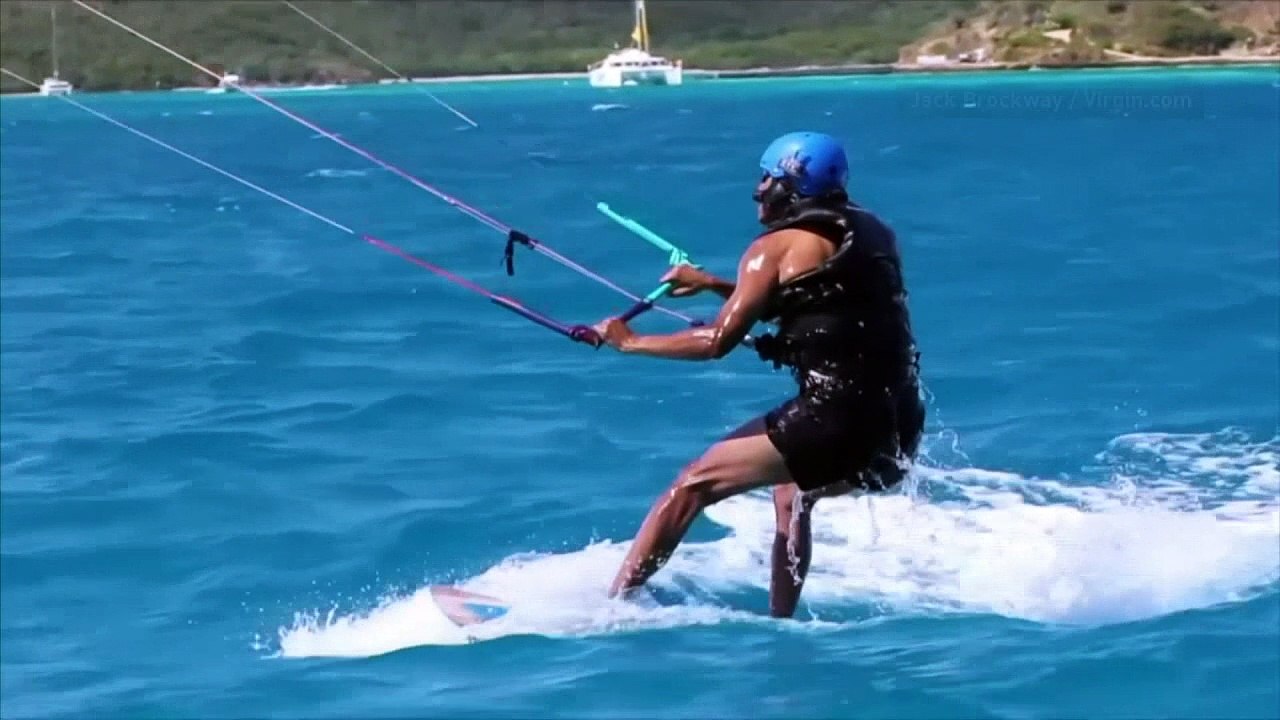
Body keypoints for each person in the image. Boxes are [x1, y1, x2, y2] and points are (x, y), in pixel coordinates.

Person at [590, 131, 926, 618]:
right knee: (793, 491)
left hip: (836, 422)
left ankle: (615, 605)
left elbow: (716, 343)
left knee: (692, 486)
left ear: (787, 185)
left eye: (766, 177)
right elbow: (813, 298)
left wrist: (630, 342)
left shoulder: (772, 249)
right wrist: (713, 285)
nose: (757, 190)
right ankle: (781, 622)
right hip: (898, 425)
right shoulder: (873, 233)